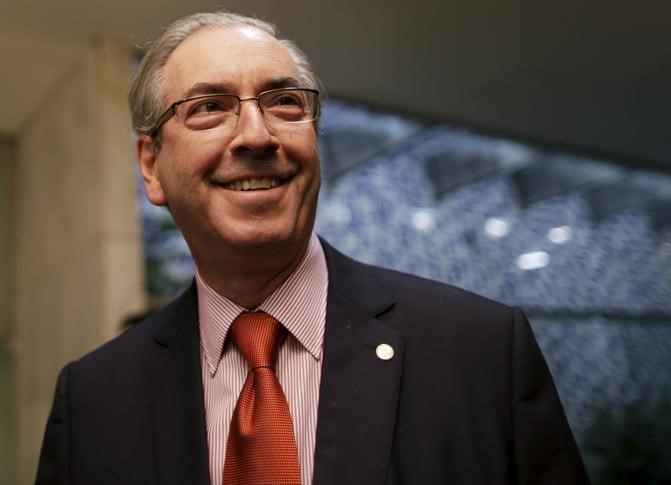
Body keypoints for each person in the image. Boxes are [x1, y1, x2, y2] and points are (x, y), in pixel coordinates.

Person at [35, 12, 590, 485]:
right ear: (151, 168)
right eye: (209, 106)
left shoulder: (483, 354)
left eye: (284, 102)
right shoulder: (92, 403)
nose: (256, 135)